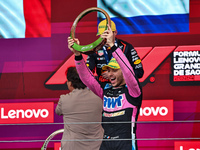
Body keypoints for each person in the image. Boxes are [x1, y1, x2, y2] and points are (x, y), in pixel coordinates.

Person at [68, 24, 142, 150]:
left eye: (113, 70)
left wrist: (113, 46)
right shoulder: (105, 91)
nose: (109, 74)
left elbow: (129, 72)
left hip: (126, 146)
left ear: (122, 72)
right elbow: (86, 77)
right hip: (105, 146)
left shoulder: (133, 92)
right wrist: (77, 55)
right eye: (107, 70)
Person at [55, 67, 104, 150]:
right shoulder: (99, 97)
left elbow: (58, 111)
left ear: (70, 83)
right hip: (97, 146)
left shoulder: (64, 99)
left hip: (72, 147)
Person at [86, 19, 144, 84]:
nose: (105, 38)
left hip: (124, 88)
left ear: (115, 32)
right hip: (103, 90)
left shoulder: (126, 47)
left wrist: (117, 74)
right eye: (102, 35)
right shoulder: (95, 49)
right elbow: (87, 74)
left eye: (107, 34)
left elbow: (139, 72)